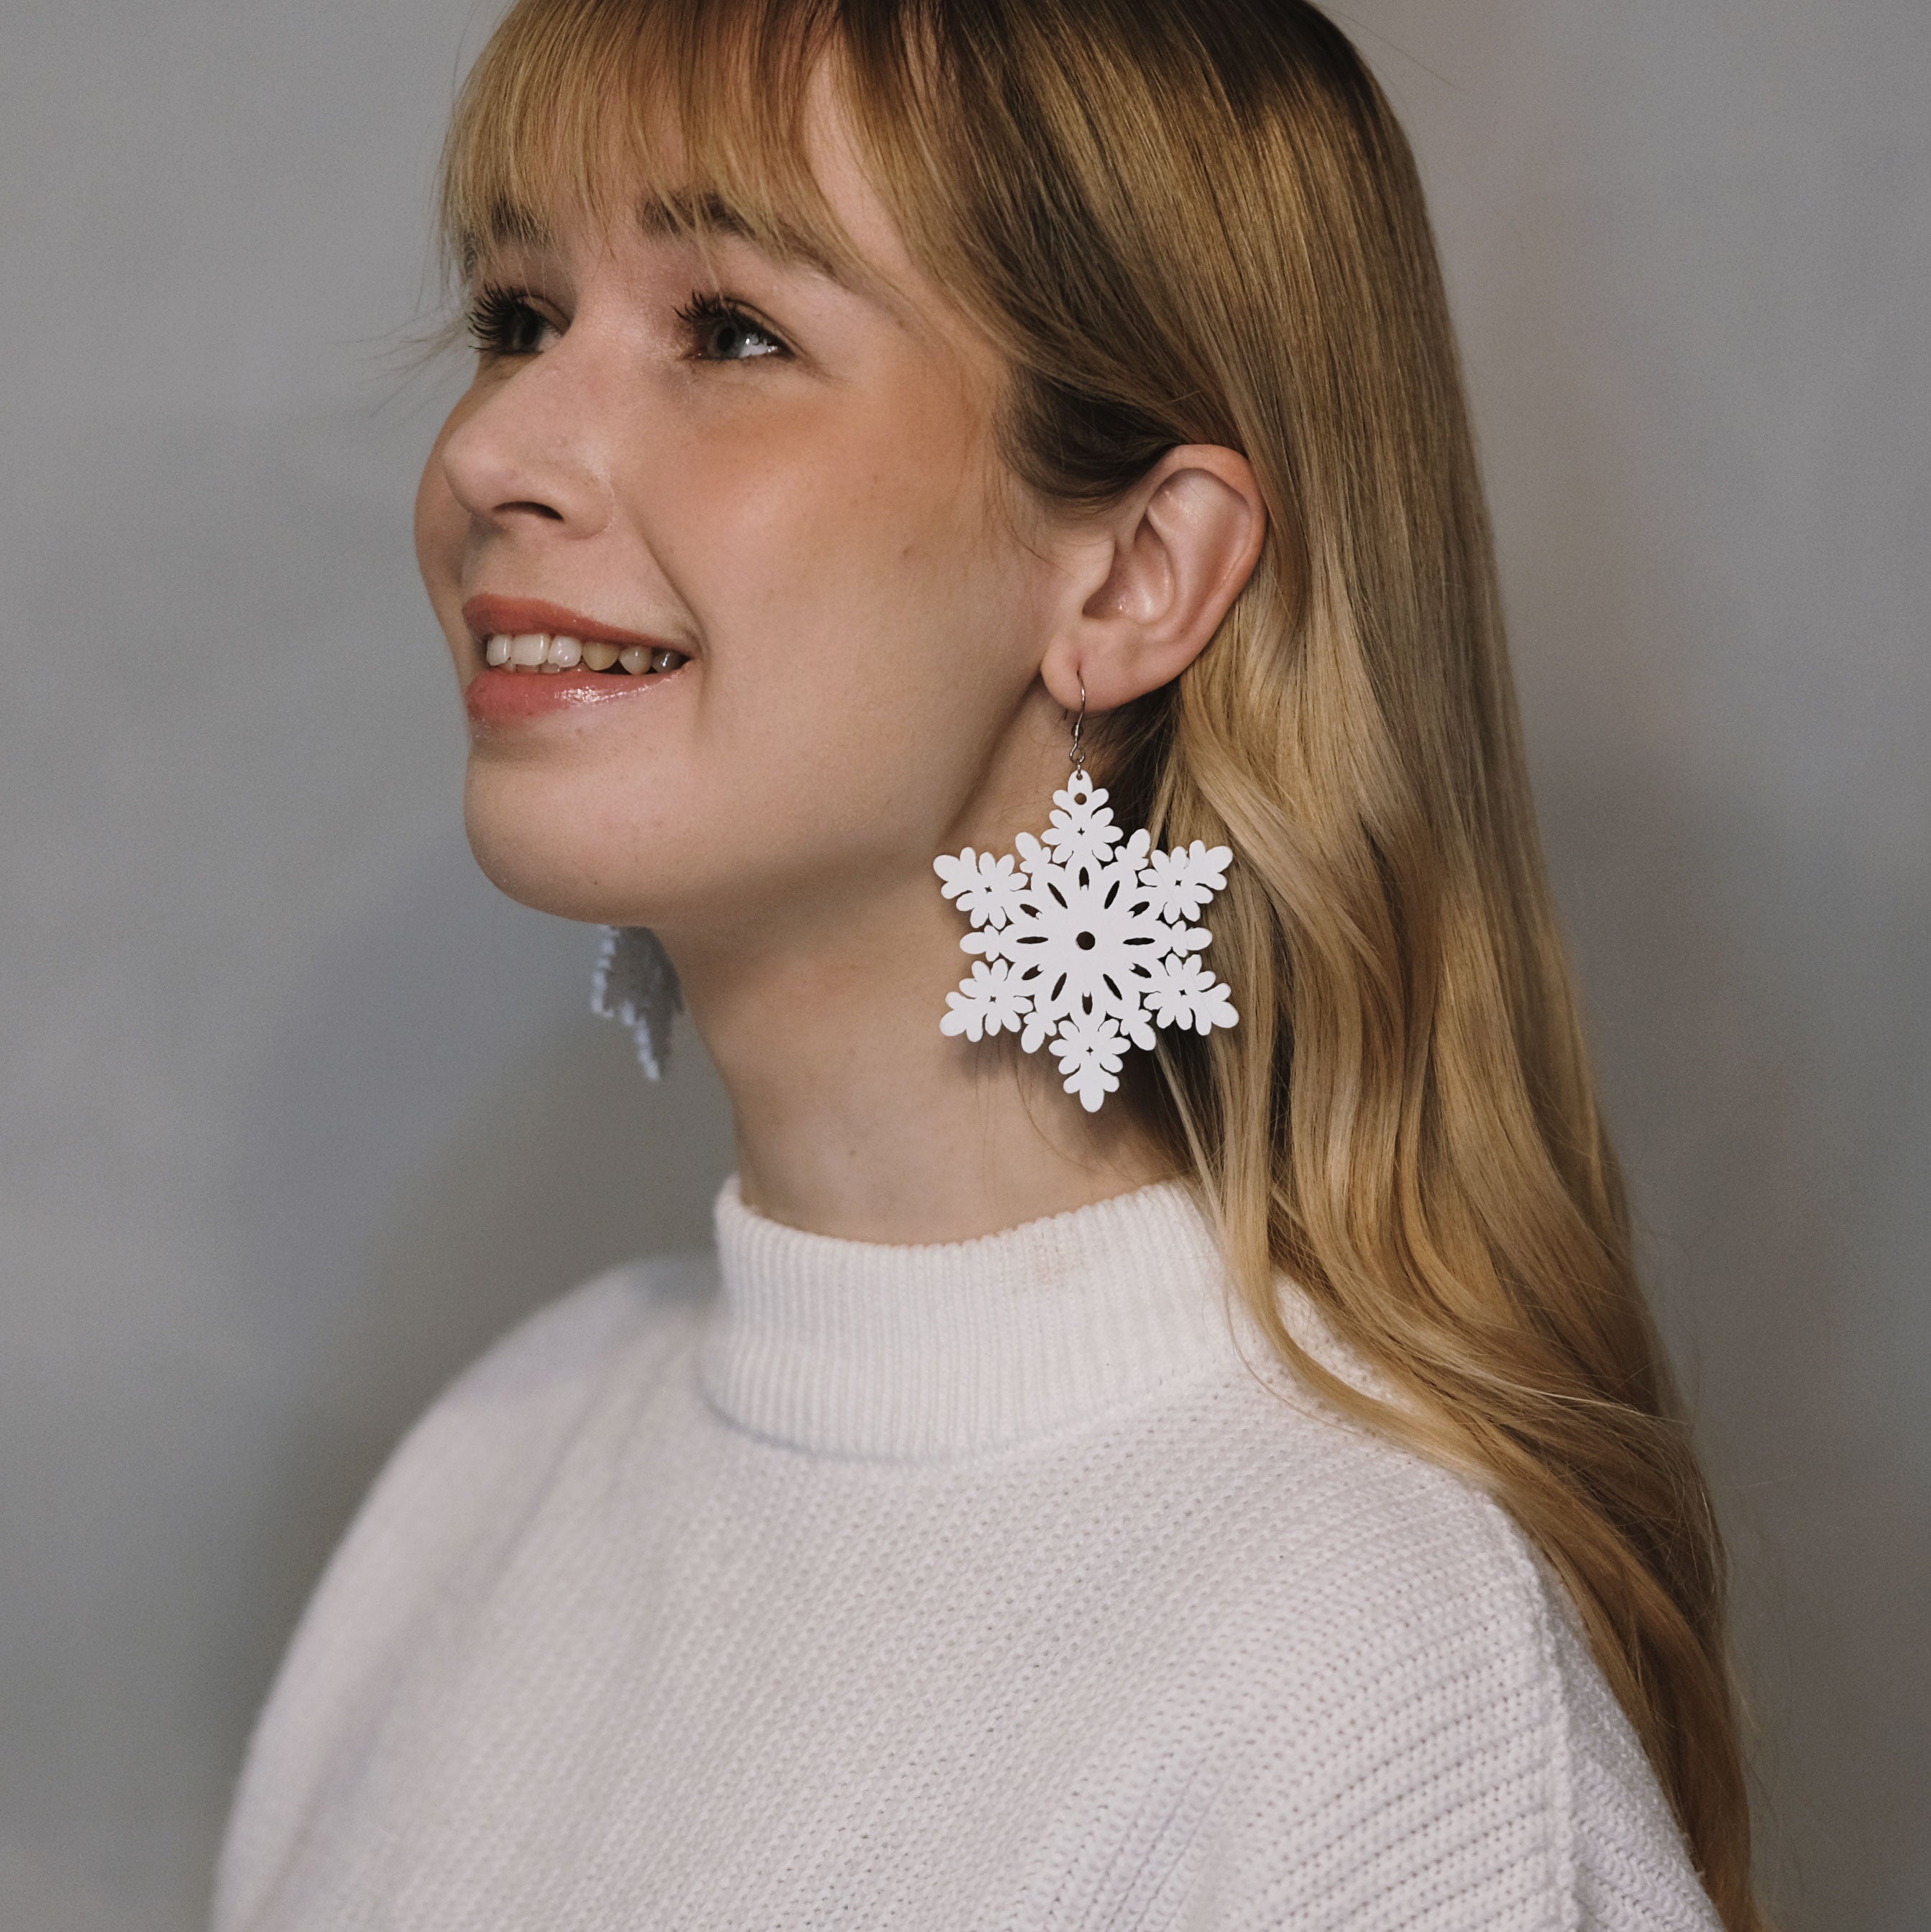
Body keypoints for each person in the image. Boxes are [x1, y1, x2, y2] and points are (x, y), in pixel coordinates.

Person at [211, 1, 1763, 1926]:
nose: (492, 450)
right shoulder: (493, 1468)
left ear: (1133, 575)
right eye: (520, 313)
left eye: (731, 332)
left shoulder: (1375, 1681)